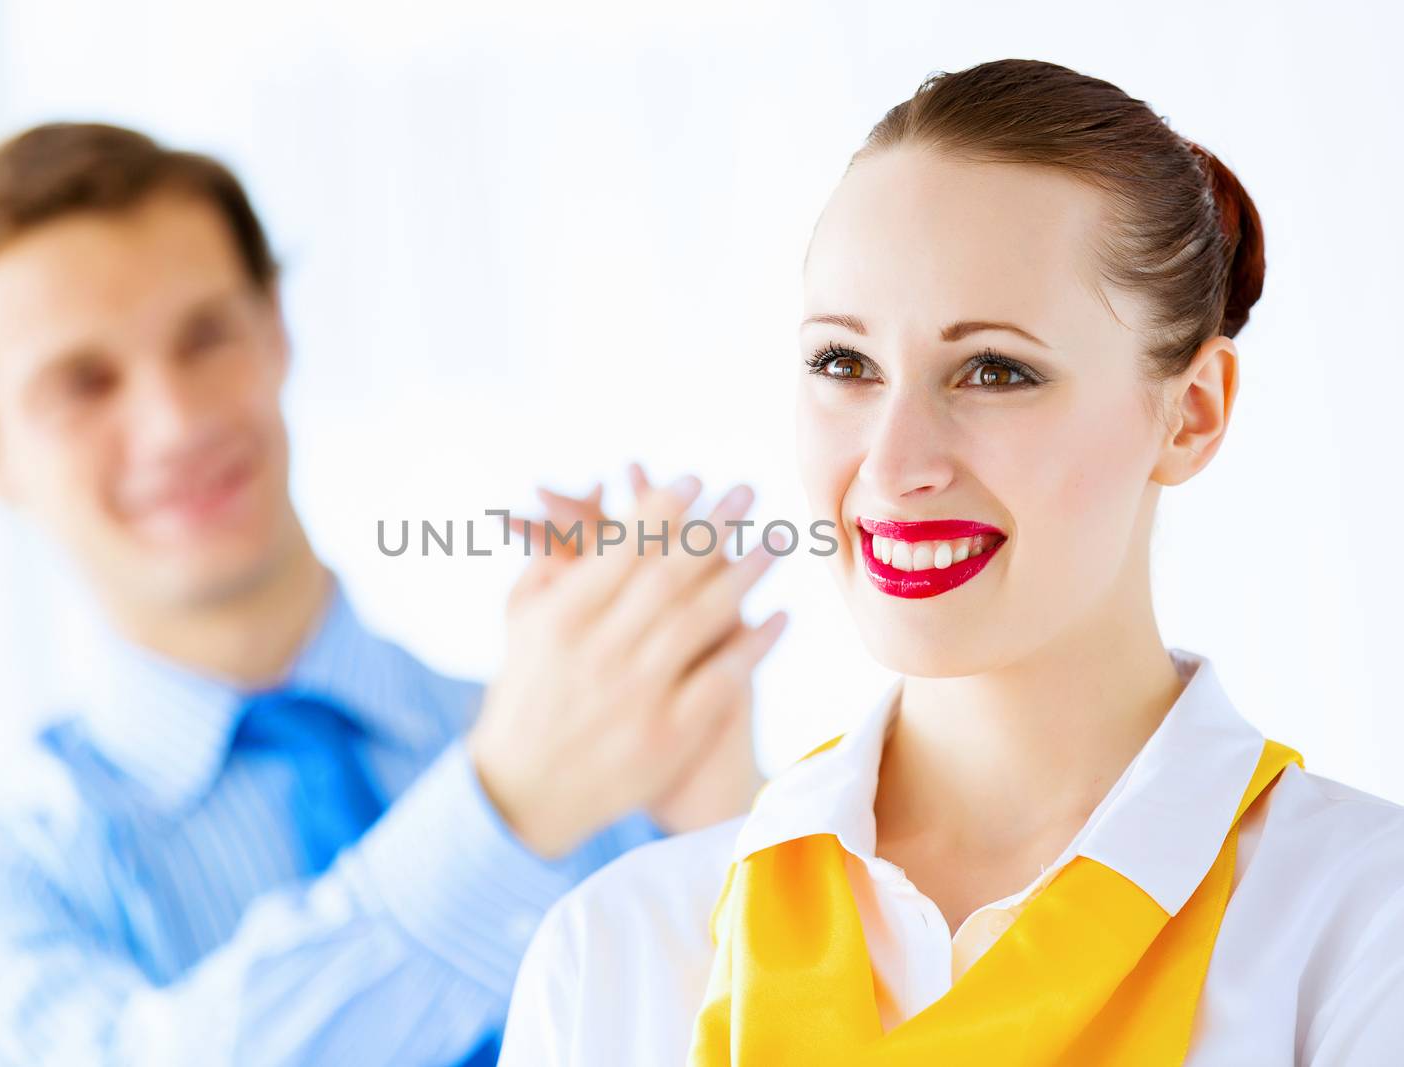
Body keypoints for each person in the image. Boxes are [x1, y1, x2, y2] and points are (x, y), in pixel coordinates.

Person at [498, 58, 1404, 1065]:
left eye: (996, 370)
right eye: (845, 363)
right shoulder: (618, 951)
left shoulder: (1362, 927)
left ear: (1191, 413)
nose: (891, 467)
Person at [0, 121, 787, 1066]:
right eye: (82, 383)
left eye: (206, 336)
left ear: (275, 329)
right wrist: (503, 813)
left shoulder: (588, 741)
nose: (174, 420)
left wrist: (721, 819)